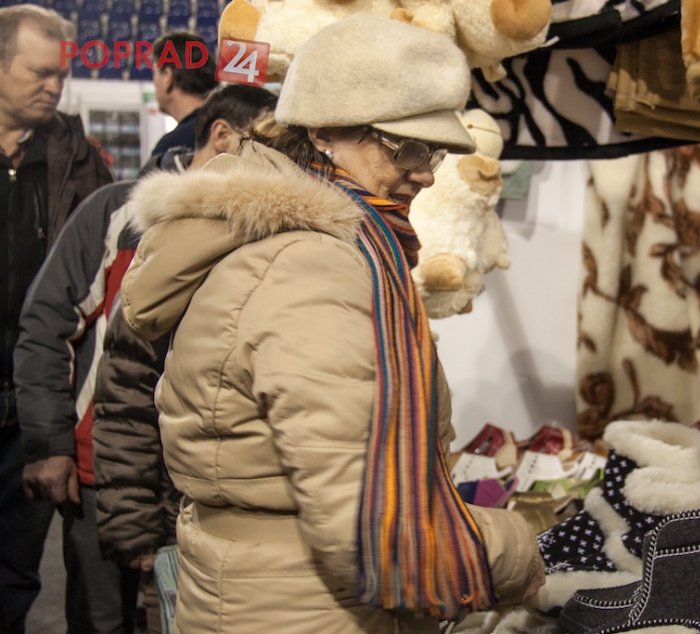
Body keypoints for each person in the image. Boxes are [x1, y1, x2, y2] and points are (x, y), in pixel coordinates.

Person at [119, 14, 544, 633]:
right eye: (407, 147)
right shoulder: (312, 266)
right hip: (307, 606)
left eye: (434, 151)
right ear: (323, 133)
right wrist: (518, 548)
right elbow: (362, 519)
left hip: (273, 594)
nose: (427, 172)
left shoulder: (314, 248)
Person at [92, 84, 278, 634]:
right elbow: (125, 396)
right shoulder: (175, 245)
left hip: (222, 527)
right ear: (224, 138)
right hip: (168, 518)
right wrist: (133, 524)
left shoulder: (268, 244)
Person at [0, 5, 113, 633]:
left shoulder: (81, 161)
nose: (53, 86)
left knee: (16, 571)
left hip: (35, 404)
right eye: (38, 73)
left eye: (60, 75)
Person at [148, 31, 217, 158]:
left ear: (167, 76)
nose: (154, 83)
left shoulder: (172, 147)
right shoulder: (228, 128)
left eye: (155, 73)